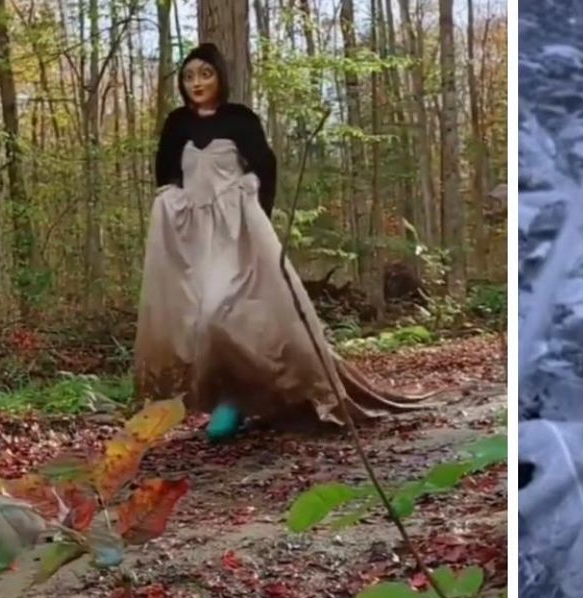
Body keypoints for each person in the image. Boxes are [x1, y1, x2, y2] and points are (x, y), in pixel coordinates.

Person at [133, 43, 436, 440]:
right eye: (189, 77)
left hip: (238, 234)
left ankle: (251, 397)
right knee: (200, 324)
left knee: (226, 315)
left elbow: (265, 167)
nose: (196, 83)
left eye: (205, 74)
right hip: (194, 240)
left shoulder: (240, 120)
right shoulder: (177, 125)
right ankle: (228, 397)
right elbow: (167, 178)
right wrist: (175, 208)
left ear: (220, 76)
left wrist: (252, 199)